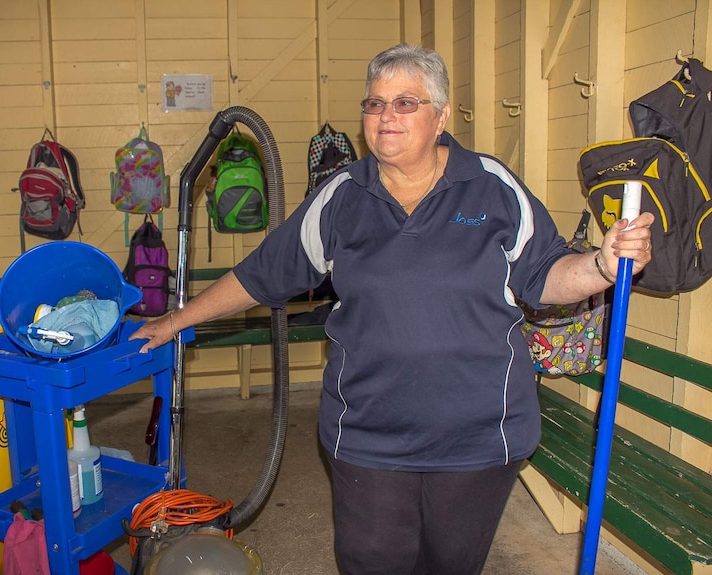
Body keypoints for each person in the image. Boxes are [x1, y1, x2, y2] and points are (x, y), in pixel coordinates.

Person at [131, 44, 654, 575]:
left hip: (477, 434)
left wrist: (603, 265)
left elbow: (546, 275)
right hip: (367, 434)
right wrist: (174, 321)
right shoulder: (341, 198)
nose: (385, 117)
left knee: (450, 564)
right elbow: (260, 275)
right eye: (374, 103)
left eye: (405, 103)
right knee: (371, 563)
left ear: (441, 116)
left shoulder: (491, 188)